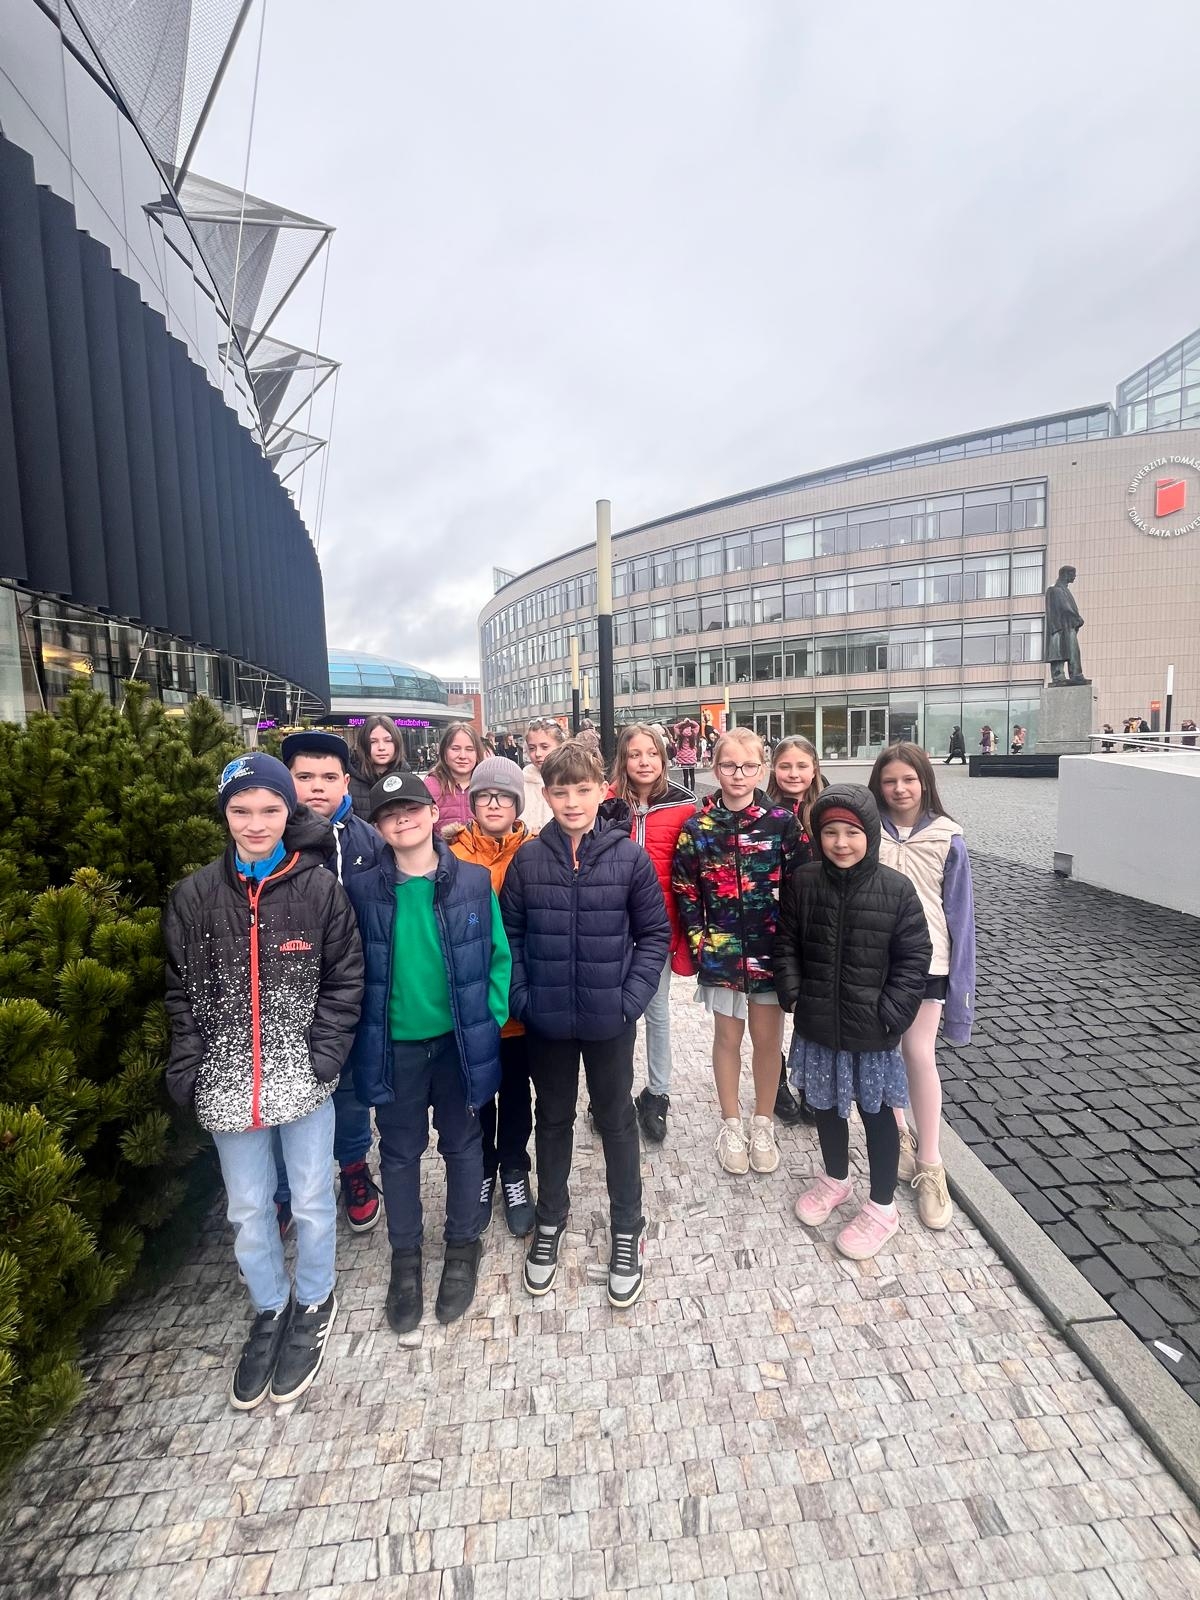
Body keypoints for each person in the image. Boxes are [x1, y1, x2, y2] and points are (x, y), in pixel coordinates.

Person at [163, 754, 364, 1408]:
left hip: (301, 1077)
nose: (256, 823)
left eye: (270, 810)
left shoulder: (319, 889)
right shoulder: (193, 896)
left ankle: (314, 1298)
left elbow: (344, 980)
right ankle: (270, 1305)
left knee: (310, 1199)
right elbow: (179, 991)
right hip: (228, 1084)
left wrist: (323, 1058)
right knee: (249, 1211)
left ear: (287, 812)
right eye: (242, 810)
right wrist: (191, 1068)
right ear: (224, 814)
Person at [500, 739, 670, 1309]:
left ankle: (628, 1224)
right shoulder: (529, 860)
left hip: (609, 1018)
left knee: (616, 1118)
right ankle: (551, 1215)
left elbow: (653, 936)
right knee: (552, 1119)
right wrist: (522, 997)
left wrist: (630, 999)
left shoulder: (629, 859)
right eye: (560, 791)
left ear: (602, 791)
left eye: (582, 789)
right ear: (546, 795)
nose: (572, 801)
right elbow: (510, 935)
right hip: (546, 1019)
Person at [343, 770, 510, 1334]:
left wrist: (489, 1018)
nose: (403, 820)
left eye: (412, 809)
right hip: (396, 1047)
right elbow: (352, 968)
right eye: (390, 815)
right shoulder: (361, 890)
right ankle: (406, 1256)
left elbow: (499, 958)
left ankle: (462, 1245)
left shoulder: (472, 881)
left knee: (463, 1144)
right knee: (399, 1151)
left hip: (458, 1042)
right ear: (379, 827)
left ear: (434, 813)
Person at [774, 785, 931, 1260]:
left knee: (878, 1115)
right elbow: (787, 942)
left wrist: (893, 1012)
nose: (841, 843)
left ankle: (882, 1205)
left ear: (871, 835)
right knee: (824, 1107)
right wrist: (793, 991)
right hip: (819, 1022)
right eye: (830, 833)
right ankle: (835, 1176)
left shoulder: (896, 890)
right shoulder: (804, 882)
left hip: (873, 1031)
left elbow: (914, 958)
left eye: (852, 832)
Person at [672, 727, 802, 1178]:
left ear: (762, 770)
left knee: (768, 1041)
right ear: (714, 767)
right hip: (723, 952)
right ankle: (731, 1122)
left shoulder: (782, 823)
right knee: (726, 1039)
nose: (738, 774)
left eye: (748, 766)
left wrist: (792, 948)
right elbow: (686, 889)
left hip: (771, 952)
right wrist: (700, 942)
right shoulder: (698, 827)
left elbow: (801, 886)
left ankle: (762, 1122)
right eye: (729, 765)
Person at [278, 731, 389, 1233]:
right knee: (285, 1088)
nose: (317, 787)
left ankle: (354, 1166)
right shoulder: (269, 837)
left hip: (349, 988)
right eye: (304, 777)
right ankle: (284, 1188)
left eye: (328, 777)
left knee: (347, 1087)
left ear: (346, 781)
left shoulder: (369, 841)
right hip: (284, 990)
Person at [869, 744, 976, 1232]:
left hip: (927, 963)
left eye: (908, 779)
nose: (899, 789)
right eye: (890, 780)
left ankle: (931, 1163)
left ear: (925, 782)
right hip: (873, 960)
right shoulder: (867, 829)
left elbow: (961, 919)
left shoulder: (948, 838)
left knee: (917, 1053)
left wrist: (961, 991)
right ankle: (898, 1134)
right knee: (882, 1052)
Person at [447, 756, 536, 1236]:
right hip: (471, 1002)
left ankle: (514, 1166)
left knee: (517, 1091)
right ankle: (483, 1167)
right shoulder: (452, 854)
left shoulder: (535, 851)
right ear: (473, 802)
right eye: (485, 796)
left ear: (518, 803)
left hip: (519, 1001)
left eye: (504, 796)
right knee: (477, 1094)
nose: (495, 804)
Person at [608, 723, 697, 1144]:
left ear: (664, 758)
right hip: (610, 925)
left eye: (652, 754)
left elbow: (692, 872)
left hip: (657, 927)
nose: (644, 762)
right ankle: (612, 1092)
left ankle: (657, 1093)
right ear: (623, 760)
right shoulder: (607, 803)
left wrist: (685, 932)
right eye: (634, 754)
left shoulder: (684, 805)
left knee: (656, 1011)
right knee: (613, 1013)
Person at [765, 736, 825, 1126]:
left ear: (814, 768)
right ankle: (776, 1080)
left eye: (802, 766)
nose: (793, 774)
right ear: (774, 769)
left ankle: (811, 1082)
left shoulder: (828, 807)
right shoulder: (763, 809)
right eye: (785, 766)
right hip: (773, 922)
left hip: (816, 919)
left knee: (811, 1006)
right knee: (772, 1009)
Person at [424, 721, 487, 836]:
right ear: (444, 752)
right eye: (455, 749)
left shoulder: (487, 786)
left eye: (469, 749)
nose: (462, 756)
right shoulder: (429, 787)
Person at [348, 715, 408, 817]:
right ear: (363, 744)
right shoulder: (348, 782)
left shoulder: (407, 779)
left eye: (388, 741)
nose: (381, 747)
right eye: (373, 742)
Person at [522, 717, 566, 835]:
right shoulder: (523, 780)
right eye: (532, 748)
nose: (537, 754)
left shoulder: (570, 777)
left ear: (560, 746)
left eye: (545, 747)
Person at [672, 716, 701, 792]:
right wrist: (690, 721)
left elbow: (675, 727)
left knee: (685, 776)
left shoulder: (680, 734)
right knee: (692, 775)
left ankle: (686, 790)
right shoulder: (693, 733)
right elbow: (697, 726)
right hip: (691, 758)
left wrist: (683, 723)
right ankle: (692, 790)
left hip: (683, 758)